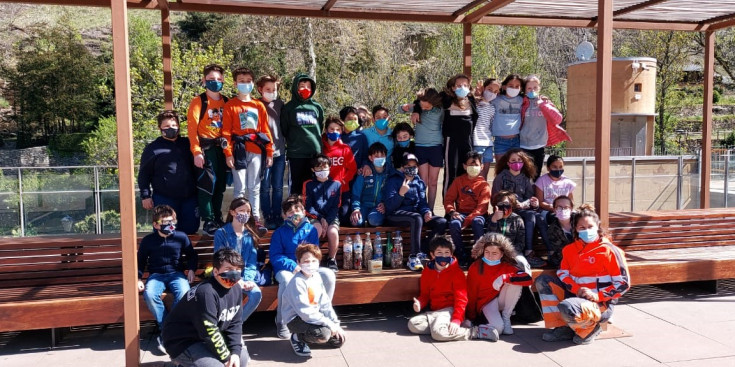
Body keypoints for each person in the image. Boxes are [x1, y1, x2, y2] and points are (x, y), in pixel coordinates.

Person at [535, 204, 630, 345]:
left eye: (590, 227)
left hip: (599, 303)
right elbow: (562, 273)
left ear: (598, 226)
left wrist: (597, 295)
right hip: (575, 296)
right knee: (543, 281)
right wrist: (576, 289)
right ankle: (563, 326)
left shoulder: (609, 250)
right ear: (575, 229)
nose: (587, 231)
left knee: (568, 307)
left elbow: (623, 284)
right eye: (582, 228)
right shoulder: (569, 250)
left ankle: (590, 329)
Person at [162, 248, 250, 367]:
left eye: (237, 269)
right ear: (215, 272)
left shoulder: (237, 289)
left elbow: (235, 323)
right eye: (228, 269)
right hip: (183, 341)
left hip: (207, 337)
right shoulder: (205, 293)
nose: (234, 273)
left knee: (242, 359)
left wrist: (234, 352)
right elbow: (210, 331)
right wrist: (226, 358)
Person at [269, 195, 336, 340]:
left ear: (304, 211)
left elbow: (314, 252)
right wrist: (293, 266)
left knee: (328, 275)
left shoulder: (310, 230)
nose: (295, 214)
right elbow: (275, 256)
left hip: (307, 266)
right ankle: (282, 321)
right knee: (287, 281)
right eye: (290, 212)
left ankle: (321, 315)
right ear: (284, 215)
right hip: (285, 269)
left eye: (297, 210)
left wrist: (307, 265)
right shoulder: (279, 233)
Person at [408, 236, 498, 342]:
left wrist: (456, 319)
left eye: (447, 253)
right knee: (413, 324)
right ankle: (445, 327)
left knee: (438, 334)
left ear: (451, 254)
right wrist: (419, 303)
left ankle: (476, 331)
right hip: (435, 312)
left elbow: (461, 300)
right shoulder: (427, 272)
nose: (443, 256)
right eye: (439, 253)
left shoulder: (457, 273)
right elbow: (425, 295)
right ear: (432, 255)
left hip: (450, 310)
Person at [138, 205, 198, 354]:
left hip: (176, 274)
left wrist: (191, 269)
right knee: (150, 294)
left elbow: (192, 255)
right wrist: (138, 278)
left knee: (185, 293)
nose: (170, 225)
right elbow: (140, 261)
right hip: (156, 275)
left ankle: (168, 331)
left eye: (172, 221)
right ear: (156, 224)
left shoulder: (180, 237)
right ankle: (168, 329)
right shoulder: (148, 240)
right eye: (165, 222)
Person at [222, 67, 273, 235]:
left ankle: (255, 219)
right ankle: (238, 218)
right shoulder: (230, 105)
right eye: (241, 82)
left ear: (253, 83)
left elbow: (265, 130)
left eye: (248, 81)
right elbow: (226, 132)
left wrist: (269, 152)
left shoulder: (258, 105)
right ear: (235, 83)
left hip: (256, 149)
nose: (245, 84)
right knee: (240, 187)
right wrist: (228, 153)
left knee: (255, 186)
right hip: (239, 150)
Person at [138, 110, 199, 235]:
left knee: (191, 229)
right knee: (165, 231)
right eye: (166, 126)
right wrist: (145, 195)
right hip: (164, 198)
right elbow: (144, 173)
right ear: (160, 128)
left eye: (174, 125)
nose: (170, 128)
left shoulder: (188, 144)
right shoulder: (152, 148)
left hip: (190, 198)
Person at [384, 153, 447, 270]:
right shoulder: (394, 180)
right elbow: (389, 206)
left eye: (414, 166)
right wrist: (400, 194)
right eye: (408, 166)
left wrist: (426, 212)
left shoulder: (419, 182)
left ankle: (423, 249)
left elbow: (422, 203)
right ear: (402, 167)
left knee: (441, 222)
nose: (411, 169)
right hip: (395, 214)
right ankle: (413, 256)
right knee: (416, 218)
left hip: (415, 214)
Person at [281, 244, 347, 357]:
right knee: (324, 335)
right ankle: (297, 337)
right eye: (306, 261)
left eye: (314, 260)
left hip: (313, 315)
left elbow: (325, 303)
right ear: (299, 262)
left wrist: (335, 323)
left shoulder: (316, 276)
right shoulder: (298, 282)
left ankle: (313, 335)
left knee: (338, 340)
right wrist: (329, 325)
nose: (310, 264)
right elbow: (305, 313)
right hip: (296, 319)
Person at [465, 233, 532, 339]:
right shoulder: (475, 267)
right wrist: (471, 317)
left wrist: (505, 278)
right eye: (487, 252)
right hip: (486, 302)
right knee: (498, 329)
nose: (490, 256)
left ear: (502, 254)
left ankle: (506, 317)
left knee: (515, 283)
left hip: (502, 299)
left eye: (494, 253)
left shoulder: (507, 266)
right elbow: (471, 293)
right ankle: (479, 327)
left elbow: (528, 279)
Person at [187, 64, 229, 236]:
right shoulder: (199, 102)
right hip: (206, 148)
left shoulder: (227, 101)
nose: (215, 82)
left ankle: (218, 216)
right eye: (211, 80)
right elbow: (191, 129)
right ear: (204, 81)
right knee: (207, 185)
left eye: (219, 79)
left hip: (222, 148)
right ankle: (208, 219)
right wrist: (196, 151)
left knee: (220, 185)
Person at [492, 148, 545, 267]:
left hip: (522, 210)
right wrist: (511, 203)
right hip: (505, 210)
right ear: (508, 163)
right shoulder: (500, 177)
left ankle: (529, 251)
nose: (516, 163)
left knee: (534, 216)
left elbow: (529, 197)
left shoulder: (526, 178)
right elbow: (495, 198)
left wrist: (530, 203)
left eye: (519, 160)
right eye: (513, 160)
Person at [213, 197, 262, 323]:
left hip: (244, 277)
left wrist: (248, 280)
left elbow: (251, 262)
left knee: (256, 294)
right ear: (232, 212)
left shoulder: (249, 235)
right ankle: (226, 326)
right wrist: (235, 279)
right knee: (228, 293)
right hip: (226, 275)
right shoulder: (222, 233)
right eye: (241, 210)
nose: (245, 214)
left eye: (248, 211)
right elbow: (220, 259)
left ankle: (236, 325)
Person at [443, 151, 490, 266]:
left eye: (476, 165)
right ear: (464, 166)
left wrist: (468, 219)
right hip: (461, 213)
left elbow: (482, 207)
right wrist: (452, 211)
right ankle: (461, 254)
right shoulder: (458, 181)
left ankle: (478, 255)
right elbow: (448, 199)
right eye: (470, 165)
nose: (473, 167)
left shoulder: (484, 185)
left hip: (478, 215)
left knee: (477, 222)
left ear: (482, 167)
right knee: (454, 223)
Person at [281, 73, 324, 195]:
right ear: (295, 87)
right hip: (296, 154)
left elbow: (320, 127)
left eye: (309, 86)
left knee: (314, 184)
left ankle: (311, 212)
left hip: (314, 153)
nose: (305, 89)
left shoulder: (317, 107)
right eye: (302, 85)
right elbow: (285, 129)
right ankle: (295, 211)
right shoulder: (288, 108)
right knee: (296, 186)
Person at [401, 88, 443, 210]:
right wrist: (414, 109)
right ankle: (422, 208)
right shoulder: (417, 107)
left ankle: (431, 210)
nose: (424, 109)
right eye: (422, 106)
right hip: (420, 147)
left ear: (434, 103)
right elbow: (401, 109)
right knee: (423, 181)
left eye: (427, 107)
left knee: (433, 182)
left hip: (436, 147)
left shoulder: (440, 111)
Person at [520, 75, 569, 180]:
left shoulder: (545, 102)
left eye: (535, 88)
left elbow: (558, 119)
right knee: (523, 176)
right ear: (524, 89)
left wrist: (542, 105)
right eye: (529, 88)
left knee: (536, 176)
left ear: (539, 88)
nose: (532, 90)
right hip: (523, 145)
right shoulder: (522, 102)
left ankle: (536, 196)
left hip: (539, 145)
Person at [302, 154, 342, 272]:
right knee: (316, 230)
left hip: (331, 216)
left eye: (325, 167)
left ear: (330, 167)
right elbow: (307, 205)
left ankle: (331, 259)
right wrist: (320, 218)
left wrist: (328, 220)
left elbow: (336, 206)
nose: (322, 170)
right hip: (314, 216)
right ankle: (313, 259)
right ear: (313, 170)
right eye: (318, 168)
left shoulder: (337, 184)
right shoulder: (308, 184)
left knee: (333, 232)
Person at [257, 74, 287, 230]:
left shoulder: (280, 104)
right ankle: (267, 216)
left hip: (280, 151)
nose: (271, 92)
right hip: (262, 153)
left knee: (278, 186)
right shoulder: (255, 105)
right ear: (260, 89)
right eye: (268, 89)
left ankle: (277, 214)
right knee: (264, 186)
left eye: (274, 89)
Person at [534, 155, 576, 263]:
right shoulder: (541, 181)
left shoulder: (567, 182)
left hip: (564, 209)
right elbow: (540, 201)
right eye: (554, 167)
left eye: (560, 167)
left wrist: (567, 209)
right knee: (555, 219)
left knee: (576, 218)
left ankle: (575, 246)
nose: (558, 170)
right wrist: (552, 208)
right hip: (548, 211)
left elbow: (571, 201)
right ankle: (556, 250)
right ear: (548, 168)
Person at [321, 116, 357, 225]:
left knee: (344, 218)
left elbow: (352, 169)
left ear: (341, 131)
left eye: (338, 129)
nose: (334, 132)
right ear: (326, 130)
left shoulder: (345, 148)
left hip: (343, 190)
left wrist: (344, 181)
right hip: (324, 191)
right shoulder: (321, 148)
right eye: (332, 129)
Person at [350, 142, 389, 227]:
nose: (380, 158)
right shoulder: (364, 173)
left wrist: (385, 204)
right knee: (355, 221)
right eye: (376, 156)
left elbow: (391, 193)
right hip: (363, 206)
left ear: (386, 156)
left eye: (382, 155)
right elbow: (356, 193)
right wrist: (356, 209)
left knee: (374, 220)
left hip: (378, 207)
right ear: (370, 158)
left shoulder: (389, 174)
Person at [491, 74, 524, 161]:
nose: (514, 88)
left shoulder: (522, 100)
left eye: (517, 86)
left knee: (516, 168)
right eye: (511, 86)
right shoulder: (495, 99)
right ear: (504, 86)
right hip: (500, 141)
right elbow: (483, 100)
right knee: (501, 169)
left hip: (517, 140)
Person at [473, 78, 501, 178]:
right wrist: (477, 94)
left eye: (495, 92)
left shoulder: (492, 107)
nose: (492, 93)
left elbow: (491, 125)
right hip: (476, 143)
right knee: (476, 174)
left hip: (488, 143)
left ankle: (483, 192)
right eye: (489, 89)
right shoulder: (475, 104)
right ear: (484, 88)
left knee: (484, 174)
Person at [486, 191, 526, 258]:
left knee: (522, 264)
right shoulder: (491, 218)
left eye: (507, 203)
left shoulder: (517, 219)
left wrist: (510, 252)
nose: (504, 206)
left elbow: (521, 243)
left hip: (513, 252)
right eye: (500, 203)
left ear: (511, 204)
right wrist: (494, 221)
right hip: (494, 252)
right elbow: (488, 239)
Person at [546, 195, 575, 268]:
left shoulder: (580, 222)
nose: (563, 210)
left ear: (571, 209)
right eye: (559, 207)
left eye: (566, 207)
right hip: (566, 260)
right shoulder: (552, 230)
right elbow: (560, 251)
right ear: (554, 210)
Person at [340, 106, 368, 174]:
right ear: (343, 120)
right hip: (340, 174)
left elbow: (365, 156)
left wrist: (363, 166)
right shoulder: (337, 136)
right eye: (349, 119)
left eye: (355, 119)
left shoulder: (361, 136)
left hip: (357, 174)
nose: (352, 121)